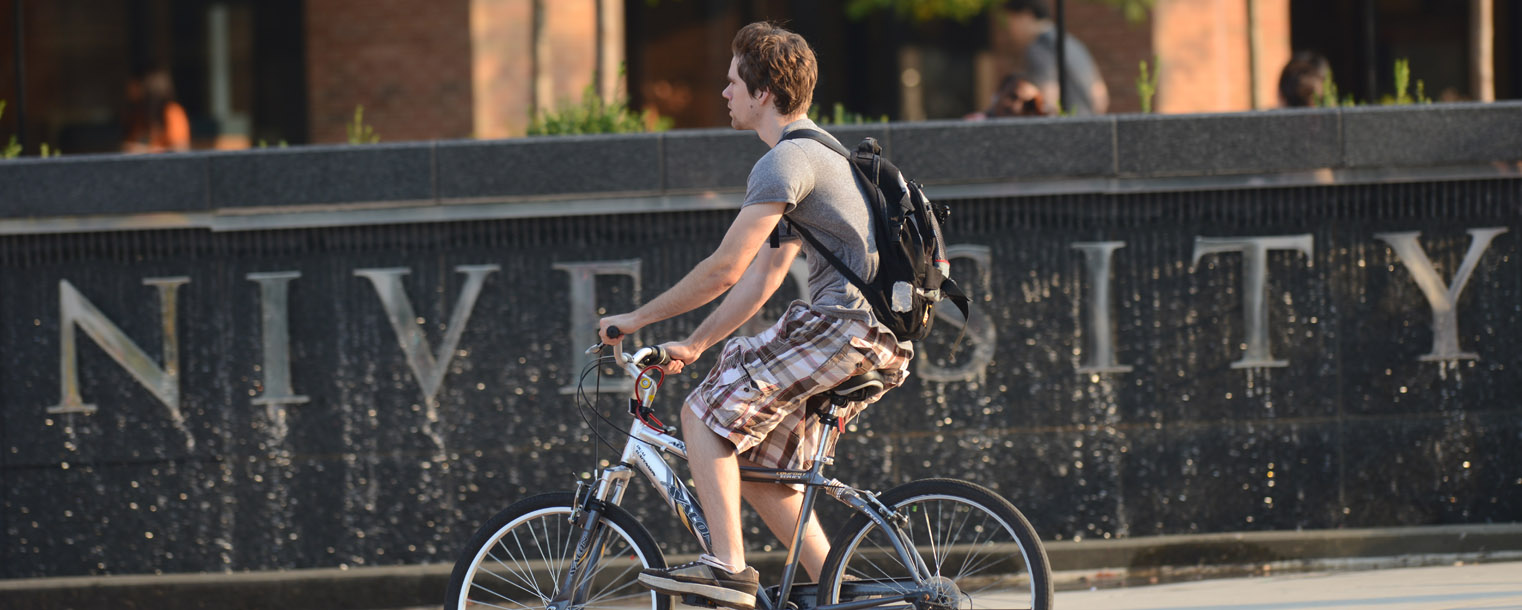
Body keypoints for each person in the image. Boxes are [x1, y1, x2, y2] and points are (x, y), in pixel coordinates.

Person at [597, 21, 913, 610]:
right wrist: (693, 344)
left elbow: (724, 269)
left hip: (841, 328)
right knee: (761, 470)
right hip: (873, 338)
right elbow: (762, 279)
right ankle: (838, 599)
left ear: (762, 92)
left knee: (702, 413)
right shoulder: (819, 155)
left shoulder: (786, 161)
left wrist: (636, 318)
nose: (723, 94)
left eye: (732, 82)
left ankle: (727, 569)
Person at [998, 0, 1108, 116]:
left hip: (1064, 129)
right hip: (1090, 124)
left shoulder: (1038, 48)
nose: (1010, 30)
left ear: (1026, 15)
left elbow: (1049, 99)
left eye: (1011, 21)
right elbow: (1101, 98)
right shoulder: (1072, 43)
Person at [121, 67, 191, 153]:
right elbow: (131, 145)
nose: (151, 102)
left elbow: (181, 149)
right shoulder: (141, 114)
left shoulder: (172, 112)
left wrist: (147, 150)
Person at [967, 72, 1047, 119]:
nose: (1017, 107)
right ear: (999, 93)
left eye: (1028, 104)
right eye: (1013, 97)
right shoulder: (975, 124)